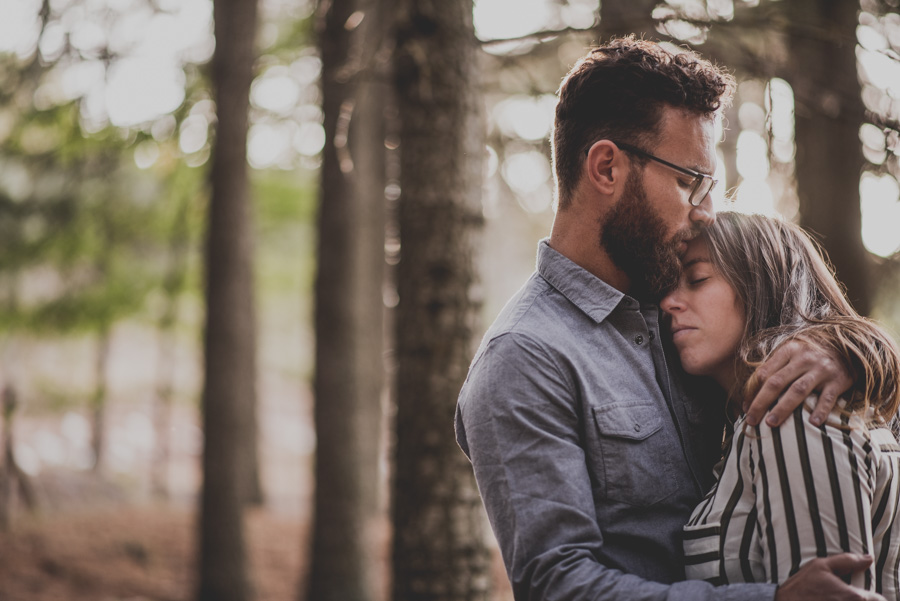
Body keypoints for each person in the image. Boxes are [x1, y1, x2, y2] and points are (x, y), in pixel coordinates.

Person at [455, 36, 878, 601]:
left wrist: (855, 350)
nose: (707, 210)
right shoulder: (526, 358)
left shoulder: (685, 307)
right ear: (606, 167)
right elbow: (559, 586)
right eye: (689, 182)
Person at [661, 212, 900, 597]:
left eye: (697, 279)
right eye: (668, 287)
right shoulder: (757, 419)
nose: (669, 303)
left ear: (760, 282)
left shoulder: (796, 405)